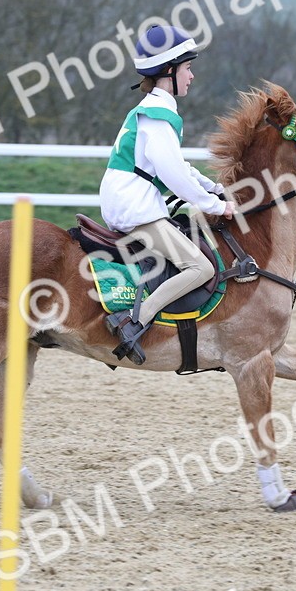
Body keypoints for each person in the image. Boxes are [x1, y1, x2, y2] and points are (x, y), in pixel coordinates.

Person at [99, 24, 237, 365]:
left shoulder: (153, 110)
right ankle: (134, 321)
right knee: (200, 267)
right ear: (169, 72)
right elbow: (173, 175)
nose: (192, 75)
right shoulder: (159, 116)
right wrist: (215, 205)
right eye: (187, 68)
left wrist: (213, 187)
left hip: (130, 202)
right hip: (135, 209)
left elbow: (178, 166)